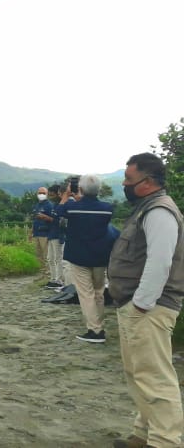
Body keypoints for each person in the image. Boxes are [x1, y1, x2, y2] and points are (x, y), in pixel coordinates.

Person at [109, 153, 184, 448]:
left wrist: (141, 304)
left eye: (129, 179)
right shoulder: (146, 209)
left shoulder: (159, 212)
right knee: (138, 374)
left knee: (155, 378)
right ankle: (145, 433)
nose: (125, 184)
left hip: (150, 308)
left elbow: (160, 262)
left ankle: (165, 441)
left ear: (148, 182)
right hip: (137, 306)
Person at [57, 174, 115, 343]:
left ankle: (95, 330)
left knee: (86, 294)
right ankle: (99, 325)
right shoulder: (107, 208)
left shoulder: (72, 207)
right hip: (100, 256)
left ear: (79, 189)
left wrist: (67, 196)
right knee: (98, 292)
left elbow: (57, 213)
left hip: (79, 256)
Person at [32, 185, 55, 279]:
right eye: (39, 193)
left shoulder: (49, 205)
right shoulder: (36, 205)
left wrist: (45, 217)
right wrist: (31, 232)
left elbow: (54, 219)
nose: (41, 195)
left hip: (45, 234)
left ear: (47, 194)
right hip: (37, 233)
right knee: (39, 255)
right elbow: (34, 220)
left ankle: (48, 274)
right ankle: (42, 274)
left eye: (43, 193)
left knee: (46, 255)